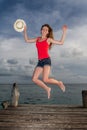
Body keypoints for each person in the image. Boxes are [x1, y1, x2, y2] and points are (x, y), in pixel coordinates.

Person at [23, 24, 67, 99]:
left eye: (46, 30)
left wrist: (64, 32)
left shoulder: (48, 39)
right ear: (41, 30)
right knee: (34, 79)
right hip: (40, 61)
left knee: (45, 79)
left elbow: (61, 42)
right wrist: (25, 31)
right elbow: (27, 40)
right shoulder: (37, 39)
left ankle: (59, 82)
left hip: (46, 60)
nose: (44, 30)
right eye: (43, 29)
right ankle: (47, 88)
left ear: (47, 32)